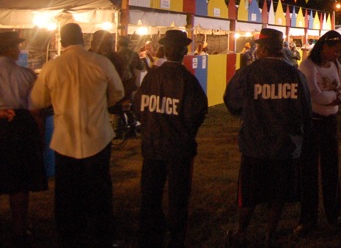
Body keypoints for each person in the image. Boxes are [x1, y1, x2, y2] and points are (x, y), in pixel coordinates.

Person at [30, 23, 125, 247]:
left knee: (66, 190)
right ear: (83, 38)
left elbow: (38, 100)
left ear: (62, 41)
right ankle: (102, 233)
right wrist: (101, 103)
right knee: (100, 188)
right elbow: (118, 92)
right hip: (98, 136)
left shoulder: (51, 67)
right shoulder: (101, 63)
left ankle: (68, 233)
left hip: (66, 138)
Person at [224, 28, 312, 246]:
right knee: (278, 193)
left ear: (262, 49)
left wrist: (246, 112)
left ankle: (241, 232)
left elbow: (232, 101)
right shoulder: (295, 74)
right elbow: (305, 110)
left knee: (249, 193)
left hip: (255, 144)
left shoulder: (248, 73)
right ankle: (269, 233)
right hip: (286, 145)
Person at [134, 30, 208, 248]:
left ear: (165, 51)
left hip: (152, 146)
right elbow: (196, 114)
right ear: (185, 52)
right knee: (178, 197)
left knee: (150, 195)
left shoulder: (151, 77)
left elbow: (139, 108)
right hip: (178, 148)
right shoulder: (188, 80)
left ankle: (149, 235)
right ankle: (176, 237)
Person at [295, 30, 341, 235]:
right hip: (312, 123)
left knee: (331, 168)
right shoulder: (308, 66)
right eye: (334, 52)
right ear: (323, 47)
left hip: (330, 122)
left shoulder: (336, 65)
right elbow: (313, 95)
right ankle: (308, 218)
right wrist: (336, 98)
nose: (337, 56)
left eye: (339, 52)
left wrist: (338, 98)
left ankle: (334, 215)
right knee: (308, 171)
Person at [0, 32, 47, 245]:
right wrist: (40, 137)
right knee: (19, 182)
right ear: (12, 50)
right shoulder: (26, 75)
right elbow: (35, 110)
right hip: (18, 128)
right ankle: (19, 229)